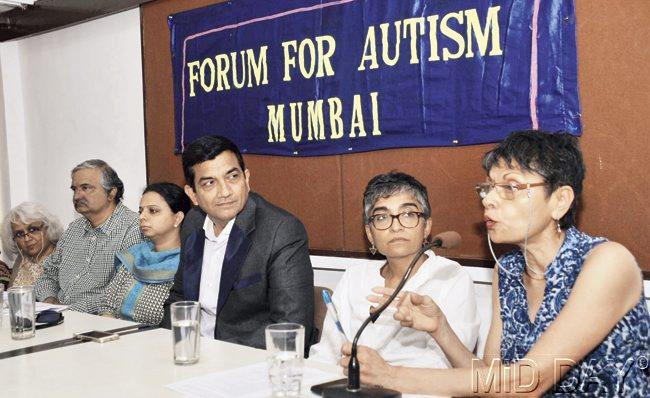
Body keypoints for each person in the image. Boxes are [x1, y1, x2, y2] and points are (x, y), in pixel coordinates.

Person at [339, 131, 650, 396]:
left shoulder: (608, 263)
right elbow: (489, 378)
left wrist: (392, 375)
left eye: (510, 187)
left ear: (560, 201)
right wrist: (440, 329)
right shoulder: (509, 269)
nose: (488, 199)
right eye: (487, 187)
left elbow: (527, 382)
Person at [310, 171, 479, 368]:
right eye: (382, 217)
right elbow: (327, 354)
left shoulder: (450, 277)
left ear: (426, 227)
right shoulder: (354, 277)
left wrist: (385, 374)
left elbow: (448, 366)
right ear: (370, 234)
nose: (395, 227)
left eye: (408, 214)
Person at [162, 135, 315, 351]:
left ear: (247, 179)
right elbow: (179, 299)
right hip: (193, 354)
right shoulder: (193, 224)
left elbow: (291, 329)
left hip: (248, 363)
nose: (225, 192)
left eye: (232, 177)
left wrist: (217, 356)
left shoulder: (281, 231)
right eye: (209, 183)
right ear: (193, 195)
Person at [35, 159, 143, 313]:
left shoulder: (133, 227)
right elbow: (49, 274)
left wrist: (69, 310)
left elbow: (124, 289)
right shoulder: (74, 229)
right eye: (74, 189)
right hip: (60, 315)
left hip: (101, 320)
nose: (77, 196)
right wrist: (50, 300)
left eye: (86, 188)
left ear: (111, 193)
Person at [99, 183, 191, 325]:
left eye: (153, 211)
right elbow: (107, 305)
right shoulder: (134, 255)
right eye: (141, 211)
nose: (142, 217)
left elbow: (175, 318)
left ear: (177, 218)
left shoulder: (188, 263)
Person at [1, 202, 63, 287]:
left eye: (33, 229)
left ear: (48, 227)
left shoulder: (63, 257)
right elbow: (10, 294)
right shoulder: (22, 259)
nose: (27, 239)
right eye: (19, 234)